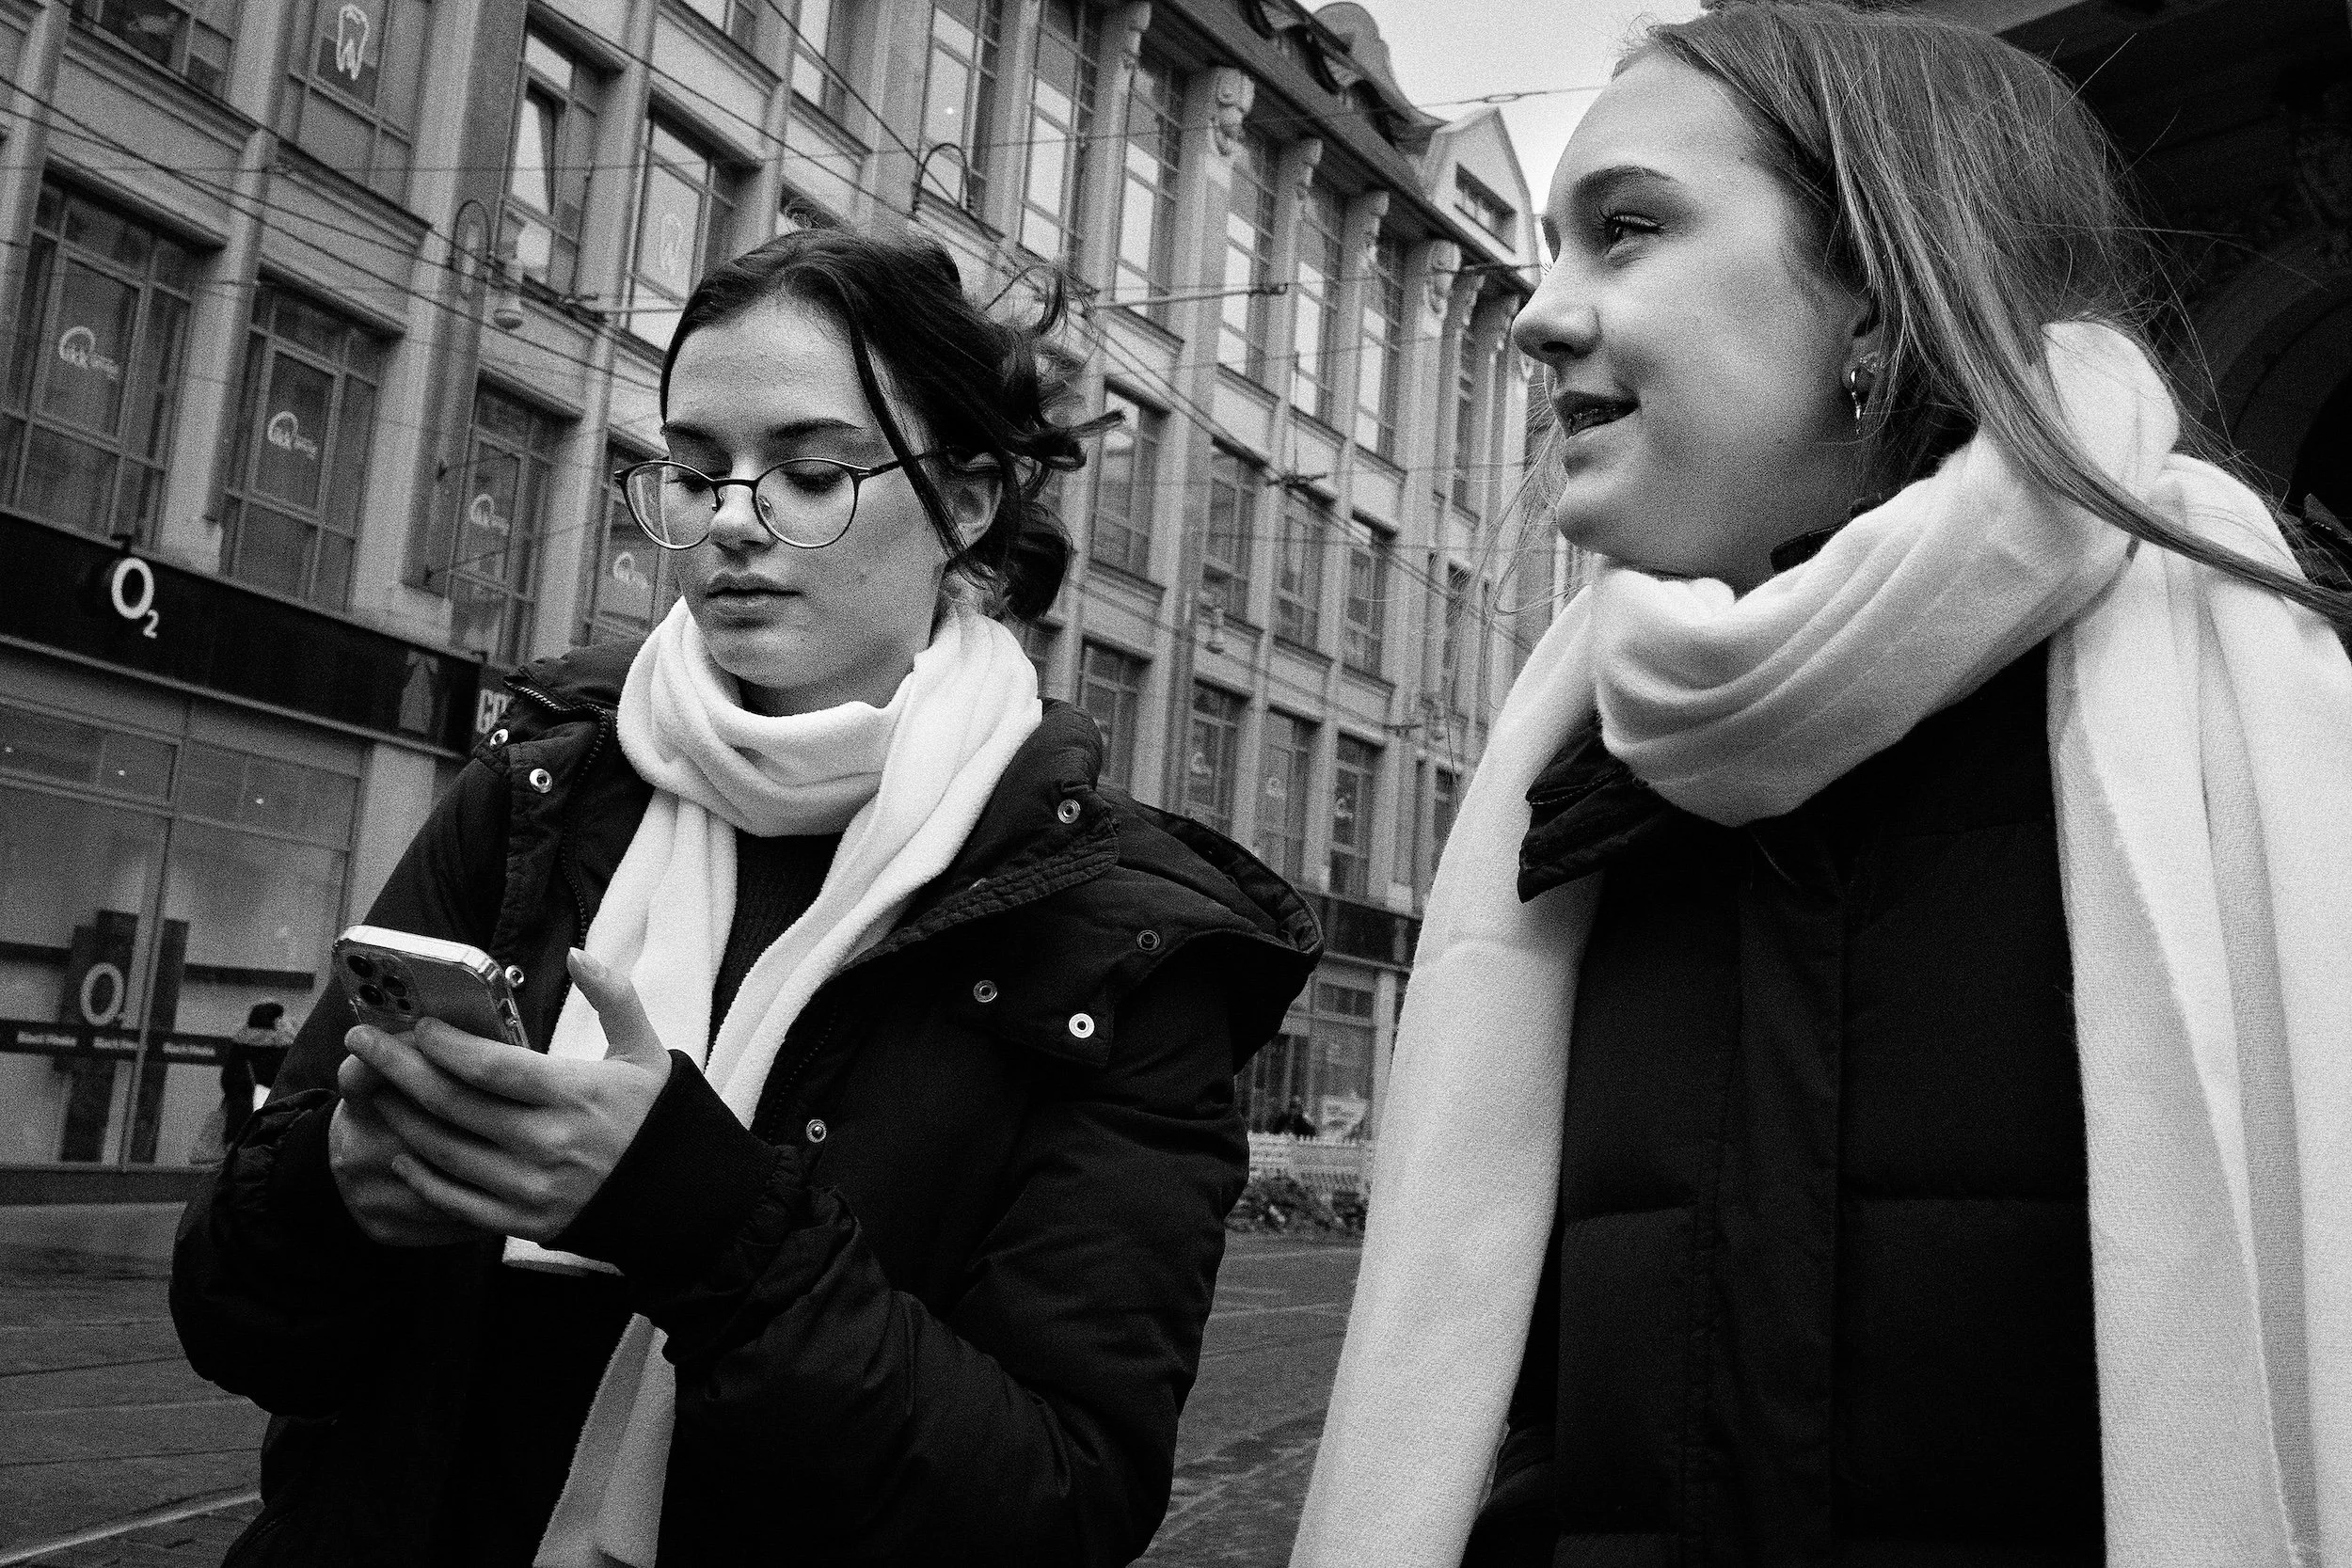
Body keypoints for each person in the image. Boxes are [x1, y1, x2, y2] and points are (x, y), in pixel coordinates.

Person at [1290, 4, 2352, 1566]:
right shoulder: (1579, 790)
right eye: (1556, 244)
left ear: (1876, 288)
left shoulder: (2253, 724)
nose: (1538, 311)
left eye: (1628, 229)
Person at [171, 223, 1321, 1568]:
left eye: (811, 471)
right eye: (696, 469)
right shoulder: (529, 805)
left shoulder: (1122, 934)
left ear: (967, 499)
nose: (730, 520)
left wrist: (689, 1208)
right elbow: (235, 1315)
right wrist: (329, 1186)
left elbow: (1055, 1505)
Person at [219, 1000, 293, 1150]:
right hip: (275, 1129)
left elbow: (227, 1080)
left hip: (239, 1131)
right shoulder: (283, 1048)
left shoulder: (239, 1047)